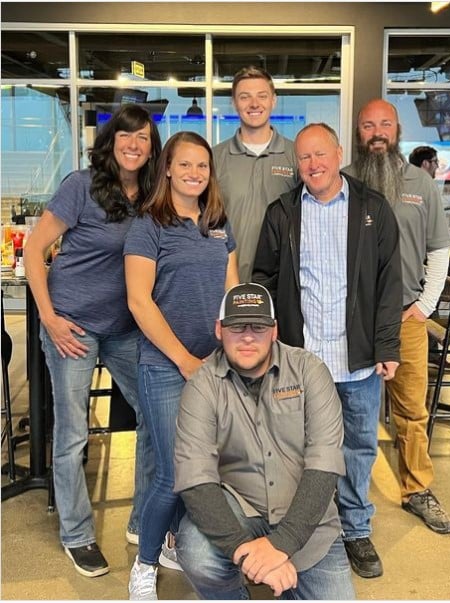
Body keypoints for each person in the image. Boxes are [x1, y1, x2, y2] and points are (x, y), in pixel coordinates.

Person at [253, 123, 403, 579]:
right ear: (296, 165)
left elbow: (389, 284)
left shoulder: (372, 209)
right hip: (301, 361)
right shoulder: (282, 212)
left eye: (320, 154)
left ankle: (355, 529)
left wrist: (387, 345)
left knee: (357, 448)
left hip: (356, 362)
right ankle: (308, 527)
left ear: (338, 153)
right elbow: (263, 278)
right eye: (304, 158)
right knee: (299, 450)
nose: (313, 165)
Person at [23, 104, 161, 577]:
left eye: (143, 137)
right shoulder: (80, 186)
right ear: (111, 141)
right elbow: (34, 250)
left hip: (123, 328)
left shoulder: (150, 194)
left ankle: (143, 522)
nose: (134, 144)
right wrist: (49, 318)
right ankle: (77, 534)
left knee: (153, 415)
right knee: (72, 432)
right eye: (126, 136)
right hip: (72, 325)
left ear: (151, 146)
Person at [173, 282, 355, 600]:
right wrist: (248, 553)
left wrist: (281, 545)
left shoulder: (310, 372)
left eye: (258, 327)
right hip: (240, 512)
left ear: (274, 330)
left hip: (308, 523)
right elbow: (195, 479)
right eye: (235, 326)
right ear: (219, 329)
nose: (246, 336)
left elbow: (324, 467)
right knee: (197, 551)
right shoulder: (201, 386)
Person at [124, 131, 239, 600]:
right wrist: (184, 359)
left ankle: (171, 542)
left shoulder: (217, 222)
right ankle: (145, 564)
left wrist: (236, 351)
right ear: (168, 168)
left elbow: (233, 292)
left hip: (214, 367)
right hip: (166, 366)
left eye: (203, 166)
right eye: (185, 164)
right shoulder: (147, 226)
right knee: (174, 473)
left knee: (206, 469)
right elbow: (138, 301)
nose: (195, 173)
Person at [342, 98, 450, 535]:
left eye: (384, 124)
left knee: (411, 412)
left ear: (397, 130)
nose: (376, 132)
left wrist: (425, 306)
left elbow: (439, 249)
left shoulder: (420, 184)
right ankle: (346, 496)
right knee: (350, 415)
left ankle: (417, 488)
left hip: (406, 319)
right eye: (368, 124)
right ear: (358, 130)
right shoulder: (344, 181)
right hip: (353, 321)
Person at [213, 65, 299, 282]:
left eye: (262, 96)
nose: (254, 104)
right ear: (234, 103)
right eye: (244, 97)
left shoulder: (296, 155)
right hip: (227, 281)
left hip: (282, 285)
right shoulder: (214, 158)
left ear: (273, 100)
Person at [409, 145, 450, 373]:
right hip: (414, 275)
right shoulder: (416, 186)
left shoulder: (420, 187)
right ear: (426, 163)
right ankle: (432, 354)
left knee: (431, 298)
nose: (438, 167)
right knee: (429, 297)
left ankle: (432, 354)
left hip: (420, 270)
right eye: (436, 162)